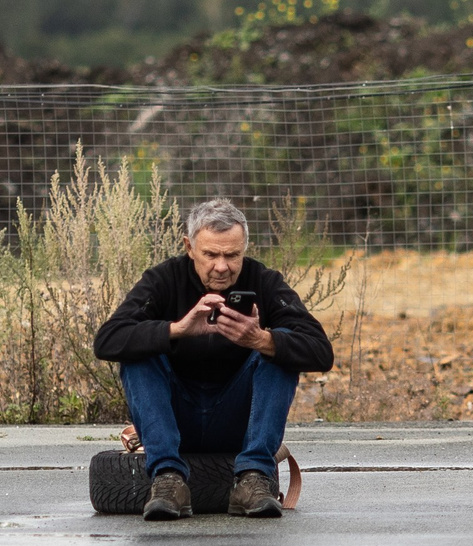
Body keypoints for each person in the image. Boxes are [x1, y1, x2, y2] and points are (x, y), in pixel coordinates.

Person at [94, 197, 333, 520]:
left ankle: (254, 477)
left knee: (281, 347)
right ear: (189, 246)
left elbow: (321, 351)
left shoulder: (264, 281)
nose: (222, 266)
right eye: (211, 254)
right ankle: (167, 478)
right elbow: (107, 340)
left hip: (236, 423)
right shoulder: (164, 280)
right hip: (176, 422)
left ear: (244, 249)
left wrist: (260, 339)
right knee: (138, 350)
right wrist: (175, 330)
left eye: (232, 255)